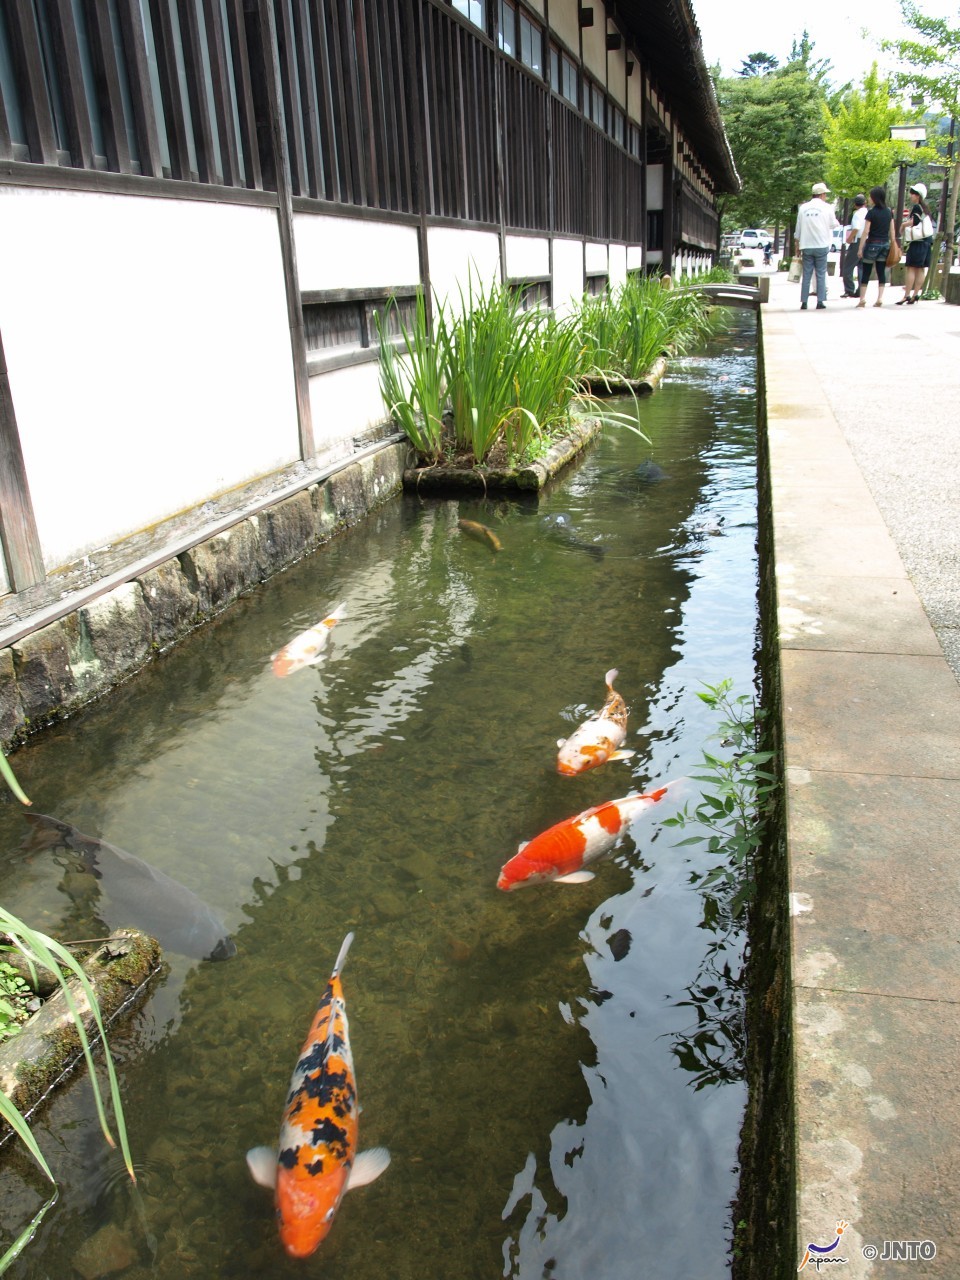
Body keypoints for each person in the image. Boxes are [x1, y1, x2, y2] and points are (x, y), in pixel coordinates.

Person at [795, 181, 839, 309]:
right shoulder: (827, 207)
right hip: (821, 244)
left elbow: (798, 230)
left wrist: (797, 245)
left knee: (807, 274)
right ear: (822, 194)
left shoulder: (803, 208)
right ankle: (820, 301)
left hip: (806, 245)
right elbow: (833, 224)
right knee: (820, 273)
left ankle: (804, 302)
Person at [897, 182, 934, 305]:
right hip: (927, 242)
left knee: (911, 269)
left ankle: (906, 295)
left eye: (913, 193)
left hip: (917, 242)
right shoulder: (926, 208)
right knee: (921, 269)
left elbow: (915, 221)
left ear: (918, 196)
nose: (910, 195)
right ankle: (915, 294)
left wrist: (903, 225)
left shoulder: (917, 207)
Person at [857, 186, 894, 308]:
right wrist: (893, 244)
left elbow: (866, 231)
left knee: (866, 271)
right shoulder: (889, 212)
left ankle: (862, 299)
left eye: (871, 196)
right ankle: (880, 298)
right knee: (881, 271)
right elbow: (892, 231)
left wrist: (860, 248)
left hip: (872, 244)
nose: (869, 198)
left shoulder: (871, 213)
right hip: (885, 244)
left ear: (875, 198)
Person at [841, 194, 867, 298]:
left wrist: (849, 238)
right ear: (865, 203)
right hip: (866, 240)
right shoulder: (868, 212)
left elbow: (856, 228)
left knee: (848, 266)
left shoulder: (857, 214)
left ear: (855, 205)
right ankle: (861, 289)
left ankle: (849, 289)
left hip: (857, 241)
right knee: (861, 266)